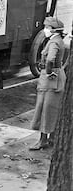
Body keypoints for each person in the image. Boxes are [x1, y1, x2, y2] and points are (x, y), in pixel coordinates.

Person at [30, 17, 66, 150]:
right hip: (56, 79)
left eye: (47, 27)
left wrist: (49, 71)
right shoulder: (58, 40)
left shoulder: (53, 43)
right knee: (52, 109)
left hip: (50, 80)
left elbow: (50, 59)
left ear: (53, 30)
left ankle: (43, 140)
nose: (45, 30)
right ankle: (51, 138)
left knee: (46, 109)